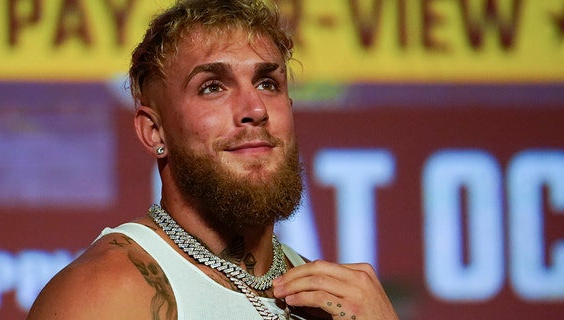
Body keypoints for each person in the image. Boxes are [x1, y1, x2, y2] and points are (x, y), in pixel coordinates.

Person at [27, 0, 399, 319]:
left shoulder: (329, 299)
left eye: (268, 83)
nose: (254, 109)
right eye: (213, 87)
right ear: (154, 132)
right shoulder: (108, 294)